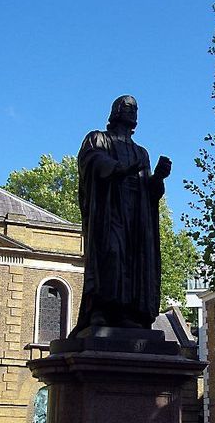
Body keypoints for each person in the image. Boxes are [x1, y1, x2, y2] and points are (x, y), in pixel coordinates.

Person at [70, 95, 171, 335]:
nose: (132, 112)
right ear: (116, 111)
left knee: (134, 262)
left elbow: (150, 191)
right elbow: (92, 162)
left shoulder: (141, 153)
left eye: (135, 108)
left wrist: (158, 177)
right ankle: (101, 311)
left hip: (137, 217)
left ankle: (127, 313)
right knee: (111, 255)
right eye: (127, 107)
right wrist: (121, 169)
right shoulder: (97, 139)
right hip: (110, 213)